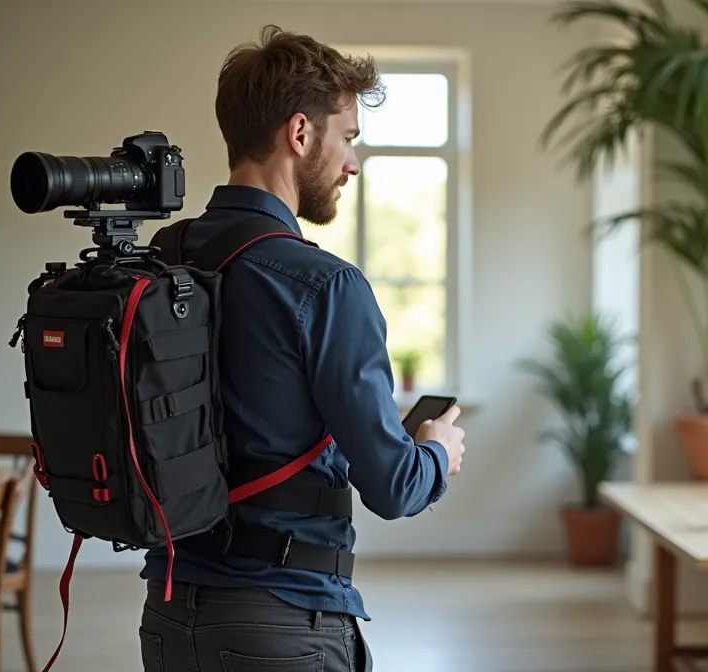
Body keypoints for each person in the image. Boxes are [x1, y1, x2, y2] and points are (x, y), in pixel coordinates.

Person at [137, 25, 466, 672]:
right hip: (284, 622)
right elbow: (395, 487)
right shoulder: (324, 286)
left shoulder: (161, 262)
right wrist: (435, 451)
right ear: (299, 134)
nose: (353, 163)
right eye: (348, 138)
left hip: (169, 616)